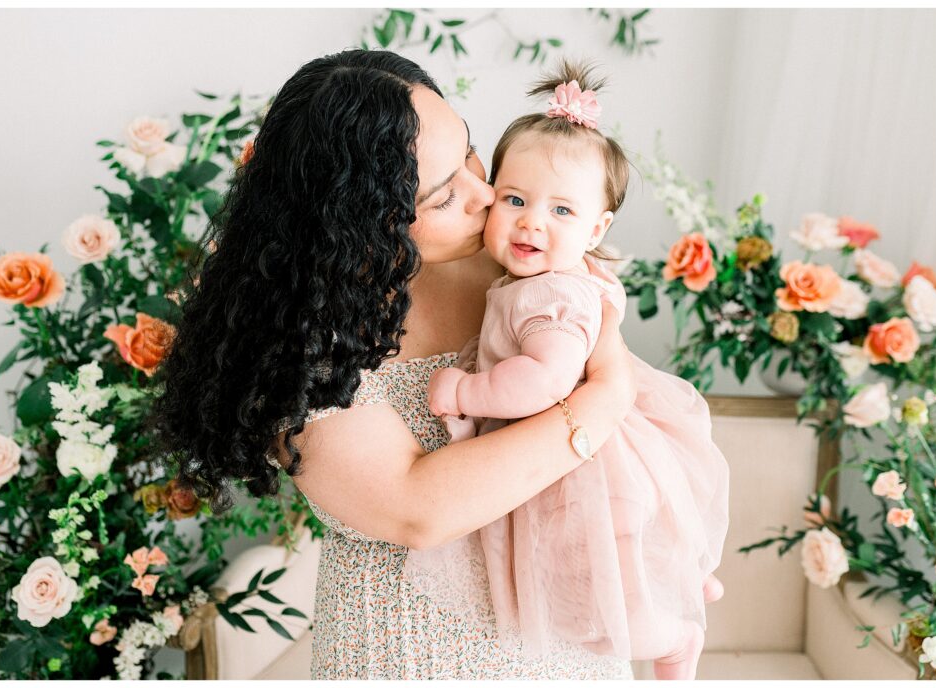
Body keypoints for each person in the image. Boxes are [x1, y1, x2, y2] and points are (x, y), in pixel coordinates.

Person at [153, 49, 640, 679]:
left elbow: (596, 321)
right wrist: (601, 401)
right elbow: (418, 508)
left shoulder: (508, 248)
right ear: (361, 221)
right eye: (443, 197)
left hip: (555, 621)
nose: (486, 193)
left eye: (468, 155)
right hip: (411, 648)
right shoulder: (297, 337)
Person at [420, 60, 730, 680]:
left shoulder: (548, 297)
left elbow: (544, 380)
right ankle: (683, 575)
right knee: (609, 560)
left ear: (597, 227)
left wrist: (466, 388)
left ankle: (669, 637)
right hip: (600, 455)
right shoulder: (551, 277)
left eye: (562, 211)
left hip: (587, 466)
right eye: (515, 199)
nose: (532, 221)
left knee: (587, 588)